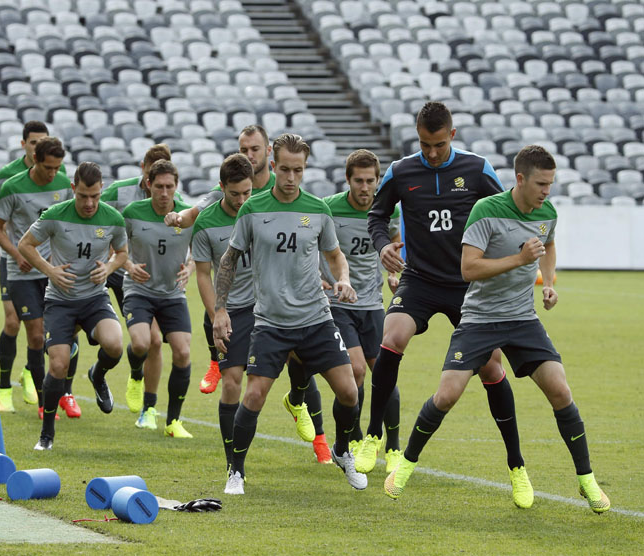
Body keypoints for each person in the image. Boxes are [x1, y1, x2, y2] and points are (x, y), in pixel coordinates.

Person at [385, 145, 610, 513]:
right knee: (447, 395)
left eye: (550, 184)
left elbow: (548, 245)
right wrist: (520, 259)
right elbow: (469, 270)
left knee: (560, 389)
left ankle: (587, 480)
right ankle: (405, 466)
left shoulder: (546, 212)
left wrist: (549, 282)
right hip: (480, 318)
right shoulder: (485, 211)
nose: (546, 192)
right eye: (541, 184)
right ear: (520, 179)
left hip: (522, 319)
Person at [361, 102, 526, 504]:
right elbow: (376, 217)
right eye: (423, 144)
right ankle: (371, 436)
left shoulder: (477, 169)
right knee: (393, 335)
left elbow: (507, 215)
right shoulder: (402, 171)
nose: (431, 152)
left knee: (491, 368)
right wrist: (383, 246)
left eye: (437, 144)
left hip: (468, 286)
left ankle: (517, 466)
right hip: (419, 279)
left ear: (452, 135)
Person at [213, 134, 365, 495]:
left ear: (305, 169)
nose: (291, 177)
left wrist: (342, 279)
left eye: (298, 170)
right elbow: (229, 260)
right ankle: (236, 471)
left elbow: (334, 255)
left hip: (316, 318)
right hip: (271, 322)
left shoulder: (317, 209)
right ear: (272, 163)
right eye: (284, 169)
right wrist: (220, 308)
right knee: (254, 397)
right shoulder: (252, 209)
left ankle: (343, 451)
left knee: (349, 391)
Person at [286, 149, 402, 468]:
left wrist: (393, 272)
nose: (365, 187)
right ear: (347, 180)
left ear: (378, 181)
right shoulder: (329, 210)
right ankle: (352, 440)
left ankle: (392, 447)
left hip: (372, 304)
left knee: (385, 373)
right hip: (338, 303)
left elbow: (395, 244)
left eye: (370, 181)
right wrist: (315, 278)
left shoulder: (386, 211)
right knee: (357, 369)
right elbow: (305, 246)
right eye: (358, 181)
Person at [18, 162, 127, 450]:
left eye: (94, 196)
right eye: (82, 196)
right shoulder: (55, 215)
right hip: (60, 301)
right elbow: (25, 244)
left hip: (94, 298)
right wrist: (50, 270)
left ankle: (97, 375)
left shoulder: (113, 218)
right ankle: (46, 434)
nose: (89, 203)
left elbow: (123, 252)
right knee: (58, 364)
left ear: (101, 189)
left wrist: (109, 268)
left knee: (115, 345)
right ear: (72, 190)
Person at [165, 125, 276, 395]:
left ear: (269, 151)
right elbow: (193, 213)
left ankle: (299, 401)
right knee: (217, 305)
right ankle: (217, 361)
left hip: (271, 289)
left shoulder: (280, 189)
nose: (249, 155)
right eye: (243, 150)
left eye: (254, 149)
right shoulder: (223, 191)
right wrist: (177, 219)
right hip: (236, 289)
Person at [0, 122, 78, 415]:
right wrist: (16, 251)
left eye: (57, 167)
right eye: (48, 167)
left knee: (66, 331)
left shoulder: (62, 183)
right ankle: (31, 396)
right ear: (32, 154)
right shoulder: (10, 184)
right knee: (31, 332)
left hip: (52, 270)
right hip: (20, 268)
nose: (52, 173)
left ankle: (60, 389)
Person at [100, 144, 180, 416]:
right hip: (113, 269)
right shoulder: (118, 192)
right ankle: (67, 384)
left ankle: (144, 394)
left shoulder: (173, 199)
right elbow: (95, 217)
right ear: (143, 171)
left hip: (145, 280)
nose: (159, 187)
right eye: (151, 176)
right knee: (74, 324)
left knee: (152, 341)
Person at [121, 160, 195, 437]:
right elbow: (114, 248)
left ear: (176, 187)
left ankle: (172, 421)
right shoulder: (132, 212)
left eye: (170, 187)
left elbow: (199, 252)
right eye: (159, 186)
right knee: (143, 342)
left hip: (172, 292)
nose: (165, 193)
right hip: (139, 290)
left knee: (183, 351)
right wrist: (128, 266)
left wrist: (188, 269)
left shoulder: (187, 215)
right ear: (149, 185)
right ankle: (138, 380)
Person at [190, 153, 254, 469]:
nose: (242, 200)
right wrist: (218, 311)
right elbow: (202, 274)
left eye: (247, 192)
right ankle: (234, 464)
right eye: (234, 194)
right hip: (235, 310)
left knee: (304, 364)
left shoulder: (264, 210)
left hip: (274, 307)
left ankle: (326, 441)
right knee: (232, 382)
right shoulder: (206, 223)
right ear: (221, 188)